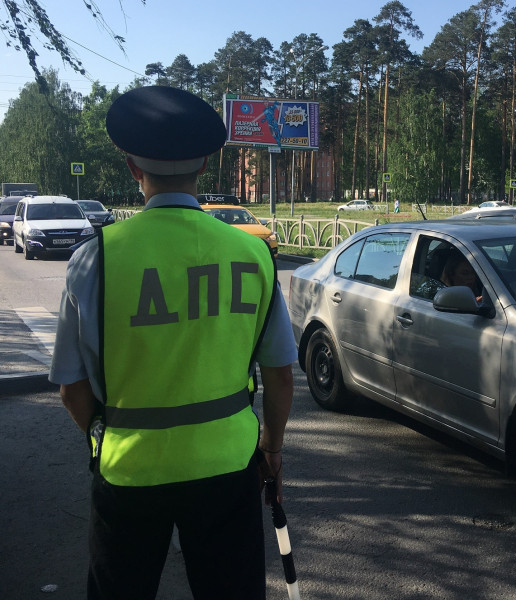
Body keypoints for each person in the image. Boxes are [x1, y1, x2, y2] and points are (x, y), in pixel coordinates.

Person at [49, 86, 296, 600]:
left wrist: (101, 431)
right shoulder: (253, 256)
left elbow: (72, 386)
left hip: (129, 471)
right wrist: (270, 449)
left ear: (132, 168)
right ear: (204, 166)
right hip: (228, 470)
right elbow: (278, 374)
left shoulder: (95, 258)